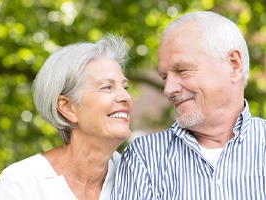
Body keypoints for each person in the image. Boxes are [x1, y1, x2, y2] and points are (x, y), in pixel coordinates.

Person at [111, 11, 266, 200]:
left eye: (182, 70)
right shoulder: (144, 157)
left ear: (233, 65)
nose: (168, 89)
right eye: (165, 77)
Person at [0, 34, 133, 200]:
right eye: (107, 87)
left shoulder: (137, 177)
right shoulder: (21, 183)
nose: (125, 97)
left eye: (125, 87)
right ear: (68, 108)